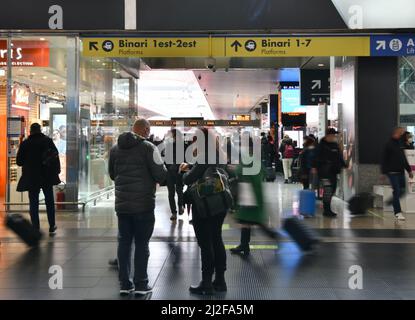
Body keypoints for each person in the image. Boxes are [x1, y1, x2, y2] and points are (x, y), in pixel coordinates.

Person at [109, 118, 167, 296]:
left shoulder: (115, 149)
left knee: (124, 242)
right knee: (142, 243)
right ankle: (141, 284)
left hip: (123, 205)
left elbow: (112, 174)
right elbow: (161, 175)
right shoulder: (149, 148)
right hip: (143, 205)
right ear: (146, 130)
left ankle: (125, 283)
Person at [180, 128, 228, 295]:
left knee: (205, 243)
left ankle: (206, 283)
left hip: (205, 205)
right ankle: (220, 280)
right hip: (220, 203)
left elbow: (189, 178)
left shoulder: (203, 155)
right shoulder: (219, 154)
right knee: (216, 239)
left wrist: (185, 170)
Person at [16, 123, 60, 235]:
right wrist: (56, 171)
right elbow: (55, 155)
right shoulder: (47, 141)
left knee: (34, 202)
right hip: (47, 176)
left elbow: (19, 162)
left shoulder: (25, 143)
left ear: (30, 131)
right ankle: (51, 225)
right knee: (49, 200)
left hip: (32, 177)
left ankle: (35, 228)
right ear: (40, 130)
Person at [312, 128, 346, 218]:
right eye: (333, 135)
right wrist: (314, 167)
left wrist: (344, 164)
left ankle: (327, 209)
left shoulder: (334, 145)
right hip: (324, 172)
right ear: (328, 135)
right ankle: (327, 210)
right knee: (328, 190)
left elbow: (338, 156)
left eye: (335, 135)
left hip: (333, 171)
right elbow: (315, 157)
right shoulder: (321, 146)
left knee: (332, 189)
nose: (334, 137)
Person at [381, 127, 414, 221]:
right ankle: (398, 212)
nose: (402, 134)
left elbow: (403, 158)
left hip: (400, 172)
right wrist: (383, 172)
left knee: (402, 191)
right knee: (397, 191)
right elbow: (384, 159)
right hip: (392, 173)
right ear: (396, 132)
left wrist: (409, 170)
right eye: (401, 132)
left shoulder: (400, 143)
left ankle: (392, 201)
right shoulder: (388, 144)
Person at [163, 129, 185, 221]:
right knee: (174, 192)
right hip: (173, 171)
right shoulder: (169, 144)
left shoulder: (181, 145)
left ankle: (178, 209)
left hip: (177, 171)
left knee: (176, 192)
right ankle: (175, 211)